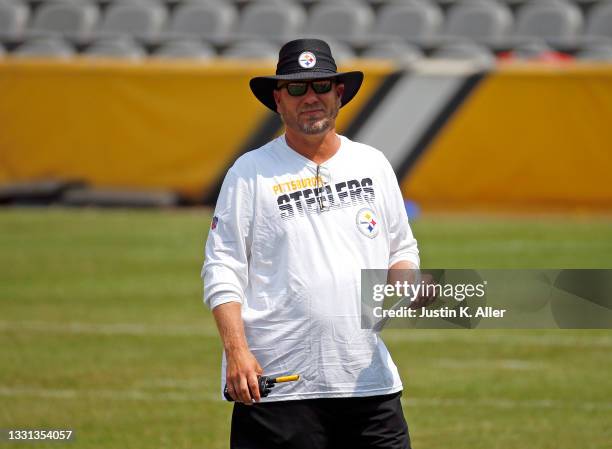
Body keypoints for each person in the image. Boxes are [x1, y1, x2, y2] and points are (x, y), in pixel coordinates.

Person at [202, 39, 429, 449]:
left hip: (367, 384)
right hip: (280, 388)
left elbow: (401, 249)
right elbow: (223, 267)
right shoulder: (250, 172)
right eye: (296, 88)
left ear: (338, 94)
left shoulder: (373, 163)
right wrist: (236, 353)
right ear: (278, 98)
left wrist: (407, 283)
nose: (311, 98)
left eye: (321, 86)